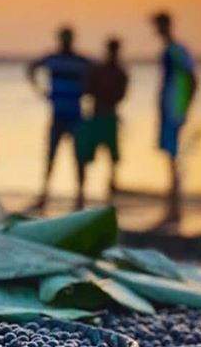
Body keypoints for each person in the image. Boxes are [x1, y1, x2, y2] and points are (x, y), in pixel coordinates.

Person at [27, 26, 91, 209]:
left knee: (78, 157)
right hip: (58, 115)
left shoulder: (81, 61)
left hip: (76, 115)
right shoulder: (53, 59)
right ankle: (44, 195)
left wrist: (88, 91)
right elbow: (32, 67)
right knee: (50, 157)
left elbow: (97, 72)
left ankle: (80, 198)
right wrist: (40, 90)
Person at [151, 11, 198, 222]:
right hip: (169, 107)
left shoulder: (177, 51)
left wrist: (186, 106)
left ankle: (175, 199)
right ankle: (173, 198)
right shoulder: (170, 50)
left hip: (174, 107)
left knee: (173, 152)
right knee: (170, 152)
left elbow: (192, 78)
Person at [78, 37, 129, 196]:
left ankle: (111, 188)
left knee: (112, 157)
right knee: (86, 156)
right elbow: (88, 89)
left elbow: (120, 95)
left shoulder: (120, 73)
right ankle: (81, 193)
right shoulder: (99, 70)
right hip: (97, 117)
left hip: (108, 117)